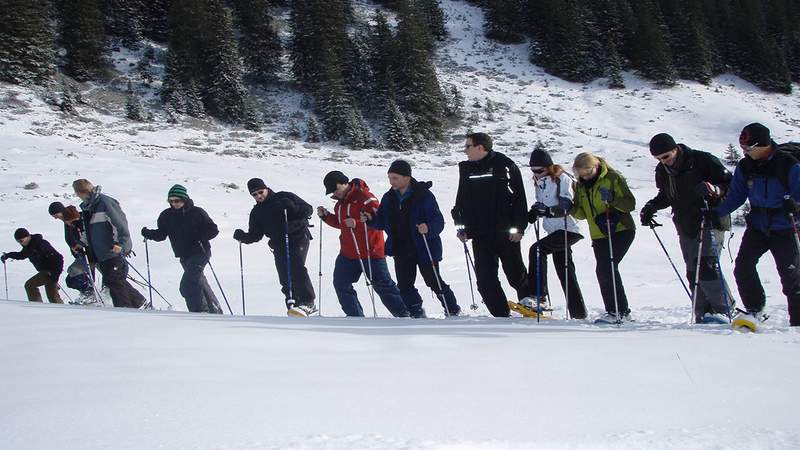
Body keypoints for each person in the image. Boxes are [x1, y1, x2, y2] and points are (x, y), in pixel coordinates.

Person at [713, 123, 800, 330]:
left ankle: (797, 322)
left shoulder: (788, 164)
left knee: (790, 275)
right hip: (758, 226)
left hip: (785, 226)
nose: (745, 152)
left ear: (763, 145)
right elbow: (736, 195)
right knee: (743, 267)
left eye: (749, 148)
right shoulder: (746, 166)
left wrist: (795, 203)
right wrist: (716, 213)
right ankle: (755, 310)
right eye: (743, 148)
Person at [640, 133, 734, 323]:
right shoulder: (663, 170)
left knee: (707, 265)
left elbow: (730, 186)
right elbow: (667, 195)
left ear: (675, 149)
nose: (663, 162)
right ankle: (703, 312)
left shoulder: (702, 160)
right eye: (658, 159)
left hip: (710, 218)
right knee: (693, 269)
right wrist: (652, 206)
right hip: (685, 222)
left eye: (666, 156)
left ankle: (723, 310)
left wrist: (714, 190)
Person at [363, 160, 461, 318]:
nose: (391, 181)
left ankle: (452, 309)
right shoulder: (388, 198)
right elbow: (381, 221)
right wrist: (370, 220)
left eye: (395, 178)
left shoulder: (423, 195)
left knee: (433, 281)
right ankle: (416, 311)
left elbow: (438, 221)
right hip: (400, 247)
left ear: (407, 177)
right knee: (404, 284)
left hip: (424, 246)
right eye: (389, 178)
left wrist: (428, 228)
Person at [451, 132, 530, 317]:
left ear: (480, 147)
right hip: (480, 234)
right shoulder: (466, 169)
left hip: (505, 232)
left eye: (468, 146)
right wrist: (462, 226)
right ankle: (501, 315)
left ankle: (530, 304)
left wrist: (519, 227)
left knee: (515, 274)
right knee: (485, 280)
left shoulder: (505, 165)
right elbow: (462, 201)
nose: (465, 151)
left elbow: (519, 199)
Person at [318, 170, 410, 317]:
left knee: (383, 286)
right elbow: (343, 224)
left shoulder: (366, 198)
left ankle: (404, 315)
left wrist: (357, 223)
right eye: (331, 192)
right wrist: (327, 217)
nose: (334, 193)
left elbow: (379, 221)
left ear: (344, 183)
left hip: (371, 251)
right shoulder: (340, 204)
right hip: (348, 253)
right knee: (341, 284)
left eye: (336, 189)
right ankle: (355, 317)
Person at [233, 178, 317, 317]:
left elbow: (307, 209)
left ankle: (308, 302)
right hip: (278, 243)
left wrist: (292, 206)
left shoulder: (284, 196)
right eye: (254, 194)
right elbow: (256, 235)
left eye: (260, 192)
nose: (259, 196)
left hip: (298, 237)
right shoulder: (257, 212)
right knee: (284, 274)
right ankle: (293, 304)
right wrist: (243, 236)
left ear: (266, 188)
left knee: (296, 267)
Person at [570, 152, 636, 322]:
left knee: (607, 268)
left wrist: (613, 200)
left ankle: (619, 311)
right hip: (599, 234)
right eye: (581, 175)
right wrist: (570, 208)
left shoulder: (613, 178)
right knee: (603, 270)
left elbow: (630, 203)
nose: (585, 177)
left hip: (620, 229)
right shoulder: (580, 186)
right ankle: (615, 311)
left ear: (596, 166)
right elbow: (582, 214)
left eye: (588, 173)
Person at [526, 148, 587, 319]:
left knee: (537, 250)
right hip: (554, 230)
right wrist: (534, 212)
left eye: (540, 170)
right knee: (565, 270)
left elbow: (565, 205)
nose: (536, 173)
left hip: (569, 229)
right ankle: (579, 313)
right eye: (533, 170)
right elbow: (541, 204)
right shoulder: (540, 182)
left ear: (549, 167)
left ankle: (539, 298)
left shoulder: (562, 179)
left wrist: (547, 211)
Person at [141, 185, 223, 313]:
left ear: (184, 199)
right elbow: (161, 235)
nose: (174, 204)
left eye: (177, 200)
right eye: (171, 201)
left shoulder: (197, 212)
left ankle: (199, 312)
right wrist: (148, 233)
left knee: (187, 286)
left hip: (200, 253)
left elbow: (213, 229)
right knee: (198, 282)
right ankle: (215, 311)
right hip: (184, 256)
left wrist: (201, 235)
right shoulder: (166, 215)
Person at [73, 179, 146, 308]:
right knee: (113, 280)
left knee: (113, 281)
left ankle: (125, 309)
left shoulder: (104, 202)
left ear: (81, 192)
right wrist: (81, 243)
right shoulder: (89, 207)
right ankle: (139, 303)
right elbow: (89, 230)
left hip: (112, 249)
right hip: (100, 251)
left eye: (77, 193)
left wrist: (121, 244)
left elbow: (120, 224)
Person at [48, 201, 97, 303]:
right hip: (80, 255)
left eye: (56, 215)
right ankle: (88, 295)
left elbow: (87, 233)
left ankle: (91, 295)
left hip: (89, 254)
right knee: (71, 280)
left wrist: (80, 245)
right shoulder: (67, 222)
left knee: (76, 274)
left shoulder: (77, 218)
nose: (56, 218)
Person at [1, 228, 64, 303]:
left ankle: (36, 306)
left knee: (30, 285)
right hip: (48, 272)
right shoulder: (30, 246)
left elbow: (59, 259)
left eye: (21, 241)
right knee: (53, 297)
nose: (20, 243)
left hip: (50, 272)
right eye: (18, 242)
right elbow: (22, 255)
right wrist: (8, 255)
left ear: (27, 237)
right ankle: (60, 311)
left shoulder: (40, 244)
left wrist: (55, 275)